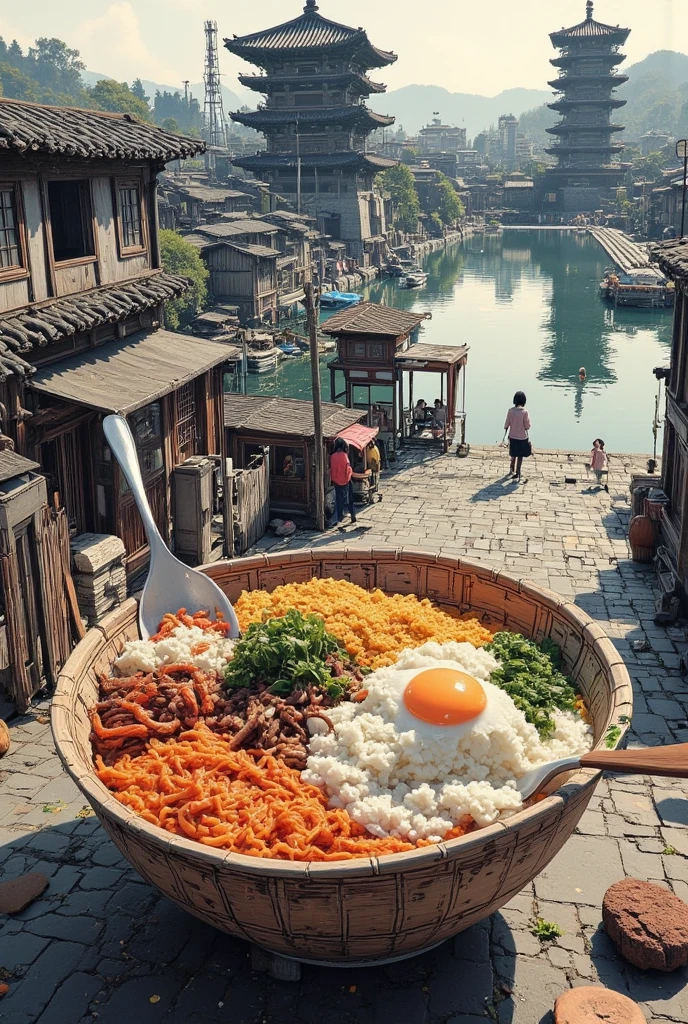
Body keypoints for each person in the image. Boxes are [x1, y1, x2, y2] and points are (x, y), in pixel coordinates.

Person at [503, 391, 531, 481]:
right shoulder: (525, 412)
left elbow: (507, 423)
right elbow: (527, 426)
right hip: (522, 437)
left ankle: (511, 468)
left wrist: (506, 428)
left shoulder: (510, 411)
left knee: (513, 453)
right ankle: (518, 471)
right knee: (520, 455)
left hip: (512, 436)